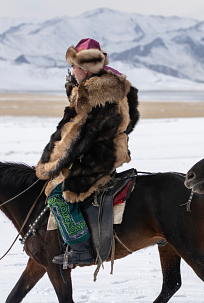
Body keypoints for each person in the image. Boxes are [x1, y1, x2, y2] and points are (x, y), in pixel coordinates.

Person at [36, 38, 139, 266]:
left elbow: (82, 137)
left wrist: (57, 160)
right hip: (102, 149)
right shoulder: (101, 86)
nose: (71, 71)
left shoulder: (99, 94)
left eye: (75, 67)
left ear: (85, 69)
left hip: (101, 155)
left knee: (60, 195)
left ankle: (81, 249)